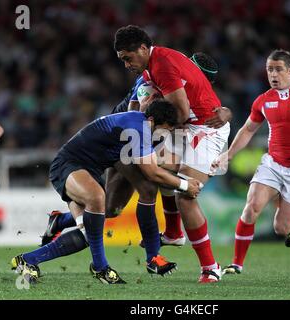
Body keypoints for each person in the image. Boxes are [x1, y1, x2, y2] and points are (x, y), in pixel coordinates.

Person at [41, 52, 225, 250]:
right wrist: (187, 179)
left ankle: (60, 221)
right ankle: (154, 256)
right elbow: (137, 122)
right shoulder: (156, 83)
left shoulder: (185, 94)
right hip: (122, 137)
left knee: (112, 208)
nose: (198, 84)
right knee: (149, 184)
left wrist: (223, 118)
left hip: (143, 134)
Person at [11, 100, 202, 284]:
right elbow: (152, 172)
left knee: (94, 225)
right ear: (153, 121)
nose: (166, 134)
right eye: (166, 129)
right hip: (68, 165)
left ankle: (32, 255)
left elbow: (155, 162)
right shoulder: (138, 128)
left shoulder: (139, 124)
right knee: (97, 200)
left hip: (89, 171)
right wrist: (184, 185)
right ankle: (101, 267)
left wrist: (189, 169)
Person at [115, 25, 232, 283]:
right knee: (157, 171)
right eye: (122, 59)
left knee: (186, 195)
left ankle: (211, 268)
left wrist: (150, 119)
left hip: (205, 129)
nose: (126, 64)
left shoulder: (163, 66)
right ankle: (174, 233)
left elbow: (179, 112)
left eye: (127, 58)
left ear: (143, 49)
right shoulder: (150, 66)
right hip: (188, 127)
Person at [211, 49, 290, 275]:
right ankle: (237, 264)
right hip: (273, 164)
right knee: (251, 207)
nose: (273, 74)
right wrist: (227, 155)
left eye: (278, 69)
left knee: (281, 228)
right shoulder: (263, 100)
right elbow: (248, 130)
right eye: (270, 69)